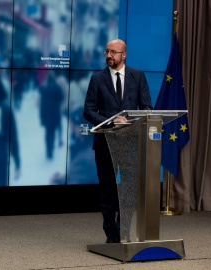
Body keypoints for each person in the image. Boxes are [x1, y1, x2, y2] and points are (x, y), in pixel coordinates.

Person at [83, 39, 152, 243]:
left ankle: (123, 231)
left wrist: (128, 121)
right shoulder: (97, 79)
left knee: (129, 189)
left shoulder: (137, 76)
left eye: (113, 52)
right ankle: (110, 234)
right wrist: (111, 121)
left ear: (124, 55)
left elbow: (147, 108)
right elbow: (88, 110)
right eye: (107, 51)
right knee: (107, 191)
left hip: (131, 142)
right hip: (106, 143)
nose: (108, 55)